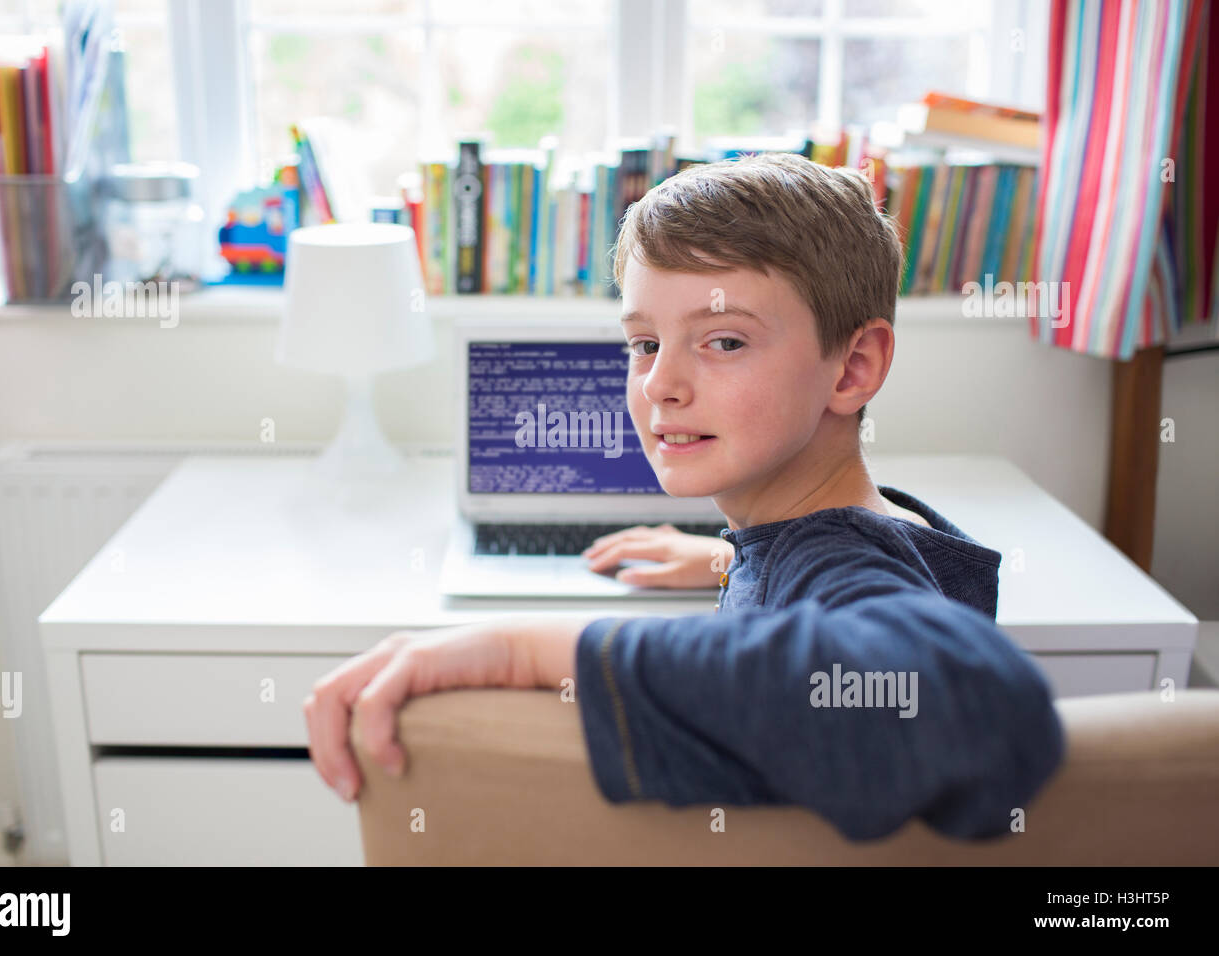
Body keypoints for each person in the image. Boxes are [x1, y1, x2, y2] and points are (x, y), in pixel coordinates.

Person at [304, 151, 1065, 842]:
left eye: (724, 341)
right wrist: (731, 561)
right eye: (644, 343)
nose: (660, 385)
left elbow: (971, 699)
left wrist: (524, 647)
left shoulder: (840, 565)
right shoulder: (831, 532)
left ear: (853, 367)